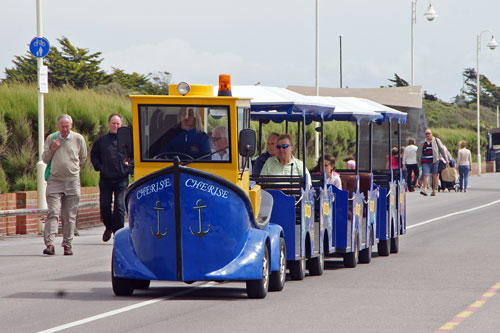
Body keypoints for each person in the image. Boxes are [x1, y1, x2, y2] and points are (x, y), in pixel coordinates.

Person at [42, 114, 87, 255]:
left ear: (71, 126)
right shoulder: (51, 138)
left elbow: (83, 157)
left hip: (72, 181)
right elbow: (44, 158)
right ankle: (50, 244)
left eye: (67, 126)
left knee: (69, 215)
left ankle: (67, 244)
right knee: (53, 212)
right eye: (62, 127)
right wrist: (52, 148)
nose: (65, 129)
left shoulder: (78, 138)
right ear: (58, 126)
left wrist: (73, 169)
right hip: (55, 181)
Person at [91, 114, 133, 242]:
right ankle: (108, 227)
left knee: (120, 206)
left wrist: (130, 167)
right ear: (109, 124)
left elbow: (135, 156)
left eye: (118, 124)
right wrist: (100, 167)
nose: (115, 126)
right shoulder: (101, 141)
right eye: (113, 123)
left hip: (121, 179)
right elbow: (94, 156)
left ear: (121, 125)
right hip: (106, 179)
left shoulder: (128, 141)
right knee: (104, 206)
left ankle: (118, 233)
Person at [416, 129, 448, 197]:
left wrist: (446, 159)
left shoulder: (436, 141)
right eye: (426, 134)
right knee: (425, 174)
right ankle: (424, 189)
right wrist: (418, 161)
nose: (427, 135)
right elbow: (418, 152)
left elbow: (441, 149)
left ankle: (434, 190)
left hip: (434, 160)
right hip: (425, 161)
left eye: (429, 133)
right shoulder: (423, 142)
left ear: (431, 134)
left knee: (434, 175)